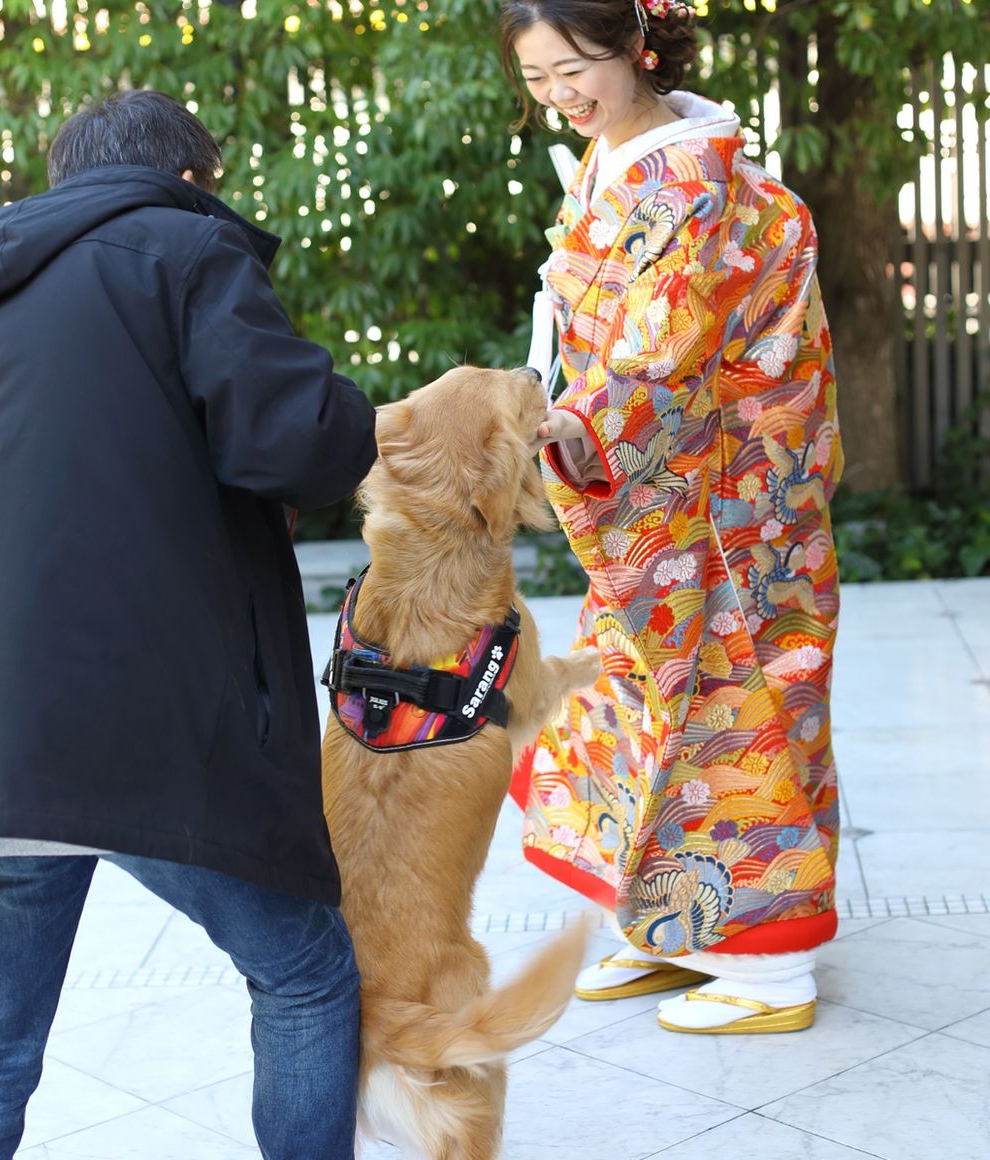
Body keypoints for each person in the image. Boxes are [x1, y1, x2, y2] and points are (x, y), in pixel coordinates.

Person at [0, 90, 376, 1157]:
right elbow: (292, 440)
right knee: (303, 973)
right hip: (155, 730)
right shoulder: (187, 247)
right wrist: (360, 418)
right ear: (190, 177)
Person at [500, 0, 844, 1033]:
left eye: (572, 69)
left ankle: (772, 969)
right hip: (672, 493)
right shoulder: (624, 158)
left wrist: (576, 423)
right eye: (536, 80)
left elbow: (658, 356)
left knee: (733, 708)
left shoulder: (691, 178)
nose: (558, 96)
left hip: (723, 502)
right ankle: (674, 928)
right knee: (635, 699)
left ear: (635, 47)